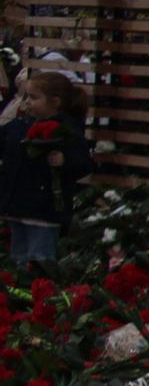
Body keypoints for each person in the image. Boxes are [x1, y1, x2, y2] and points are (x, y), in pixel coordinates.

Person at [0, 72, 93, 263]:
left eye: (34, 97)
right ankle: (20, 290)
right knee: (18, 258)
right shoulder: (21, 125)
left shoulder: (66, 129)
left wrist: (64, 161)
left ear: (55, 102)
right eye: (27, 97)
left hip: (44, 209)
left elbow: (84, 163)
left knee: (40, 260)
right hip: (18, 207)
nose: (28, 102)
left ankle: (38, 290)